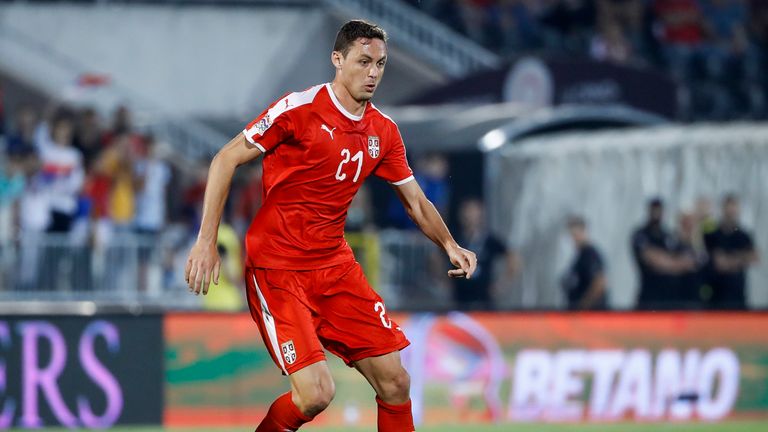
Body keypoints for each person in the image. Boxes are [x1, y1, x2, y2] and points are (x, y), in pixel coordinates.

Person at [184, 20, 477, 432]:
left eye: (380, 64)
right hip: (278, 268)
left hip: (334, 267)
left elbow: (415, 201)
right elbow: (225, 159)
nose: (373, 73)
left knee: (396, 382)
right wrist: (206, 241)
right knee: (316, 394)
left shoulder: (383, 131)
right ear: (337, 60)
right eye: (363, 61)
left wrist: (450, 244)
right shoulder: (299, 109)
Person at [451, 197, 517, 310]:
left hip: (484, 299)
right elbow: (436, 256)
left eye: (473, 211)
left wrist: (501, 285)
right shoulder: (455, 239)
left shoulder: (489, 240)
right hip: (459, 299)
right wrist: (444, 282)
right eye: (467, 211)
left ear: (480, 214)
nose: (470, 216)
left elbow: (513, 257)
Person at [631, 198, 695, 309]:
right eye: (654, 210)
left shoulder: (668, 235)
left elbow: (688, 261)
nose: (656, 214)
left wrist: (668, 262)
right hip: (649, 295)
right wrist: (674, 263)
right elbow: (653, 259)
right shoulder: (641, 234)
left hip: (671, 297)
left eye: (659, 210)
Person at [704, 194, 759, 309]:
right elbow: (720, 263)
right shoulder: (713, 234)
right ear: (723, 210)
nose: (731, 213)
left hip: (738, 295)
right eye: (728, 209)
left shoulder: (743, 235)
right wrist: (741, 258)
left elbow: (755, 257)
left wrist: (731, 259)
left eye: (733, 209)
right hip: (717, 296)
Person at [561, 216, 607, 310]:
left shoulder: (590, 254)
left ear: (584, 231)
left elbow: (600, 283)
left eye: (575, 234)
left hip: (591, 314)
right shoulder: (579, 256)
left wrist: (583, 306)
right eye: (571, 235)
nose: (574, 238)